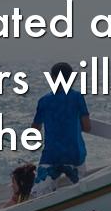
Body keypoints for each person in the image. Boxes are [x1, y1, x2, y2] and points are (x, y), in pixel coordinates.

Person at [30, 61, 91, 196]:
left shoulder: (44, 101)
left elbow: (34, 131)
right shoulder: (78, 97)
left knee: (38, 194)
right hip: (75, 156)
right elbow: (87, 127)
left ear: (52, 78)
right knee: (81, 191)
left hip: (51, 157)